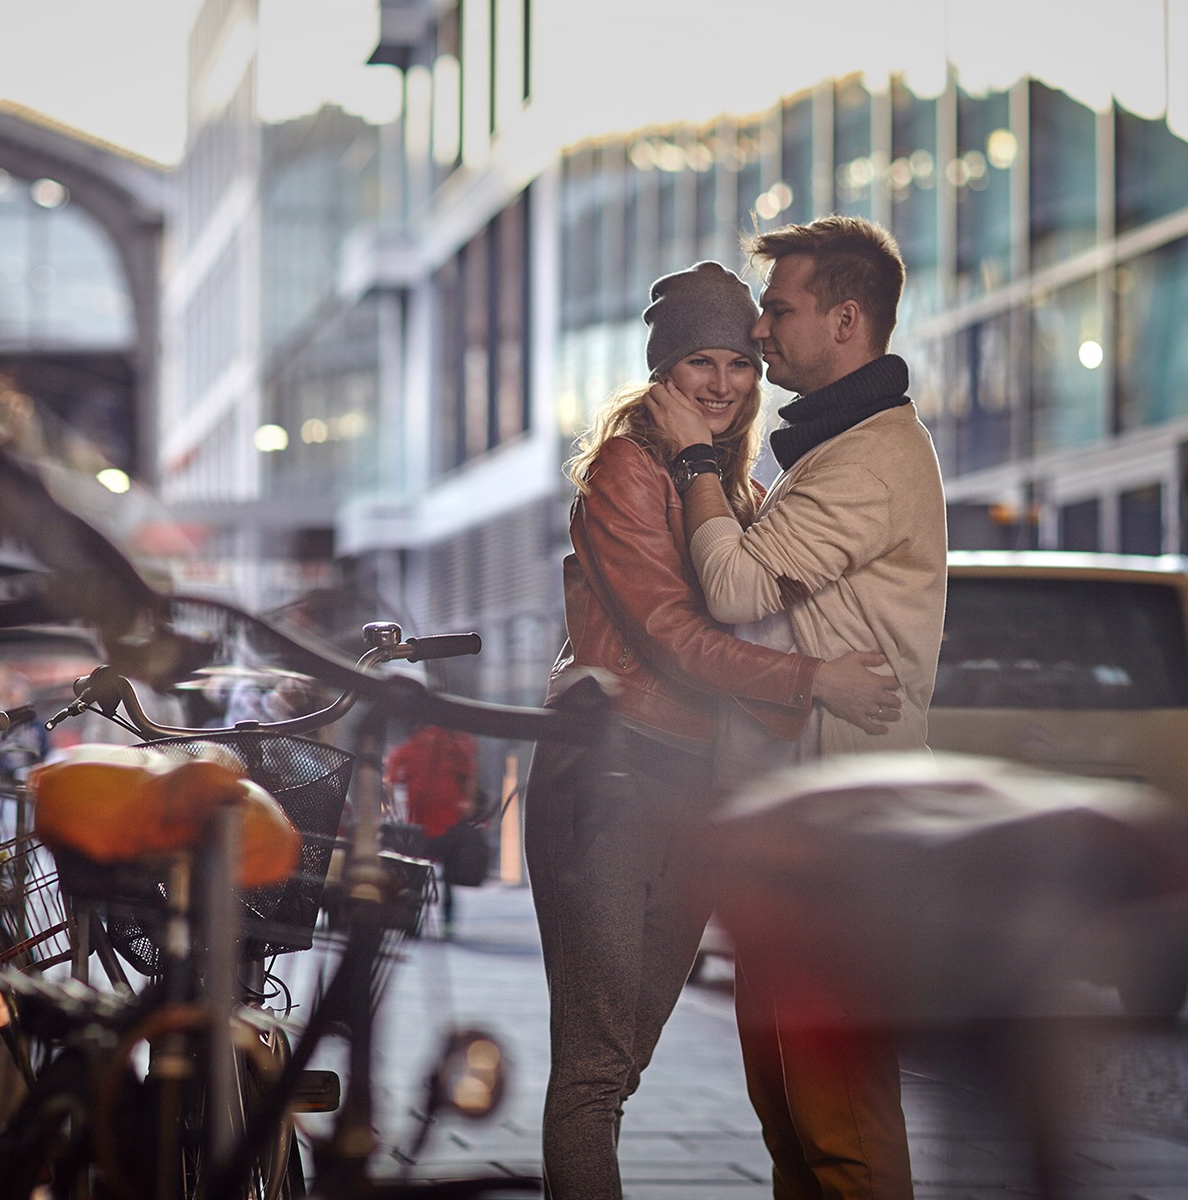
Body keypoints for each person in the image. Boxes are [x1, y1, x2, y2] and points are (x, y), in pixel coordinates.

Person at [526, 259, 903, 1200]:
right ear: (661, 372)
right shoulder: (626, 469)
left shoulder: (725, 486)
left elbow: (772, 595)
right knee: (595, 1070)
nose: (725, 384)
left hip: (693, 791)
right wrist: (817, 682)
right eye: (700, 363)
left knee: (626, 1060)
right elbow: (673, 634)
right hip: (610, 782)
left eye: (740, 363)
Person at [644, 216, 947, 1200]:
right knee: (792, 1113)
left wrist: (695, 462)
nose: (763, 332)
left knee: (841, 1117)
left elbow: (736, 592)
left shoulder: (869, 459)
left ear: (847, 320)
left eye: (780, 310)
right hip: (796, 827)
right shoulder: (830, 451)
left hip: (842, 832)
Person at [385, 724, 481, 936]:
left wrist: (396, 812)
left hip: (419, 825)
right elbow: (470, 774)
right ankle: (441, 921)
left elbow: (391, 783)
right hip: (444, 822)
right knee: (445, 877)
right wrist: (468, 803)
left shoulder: (409, 749)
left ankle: (413, 922)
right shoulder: (452, 747)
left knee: (415, 873)